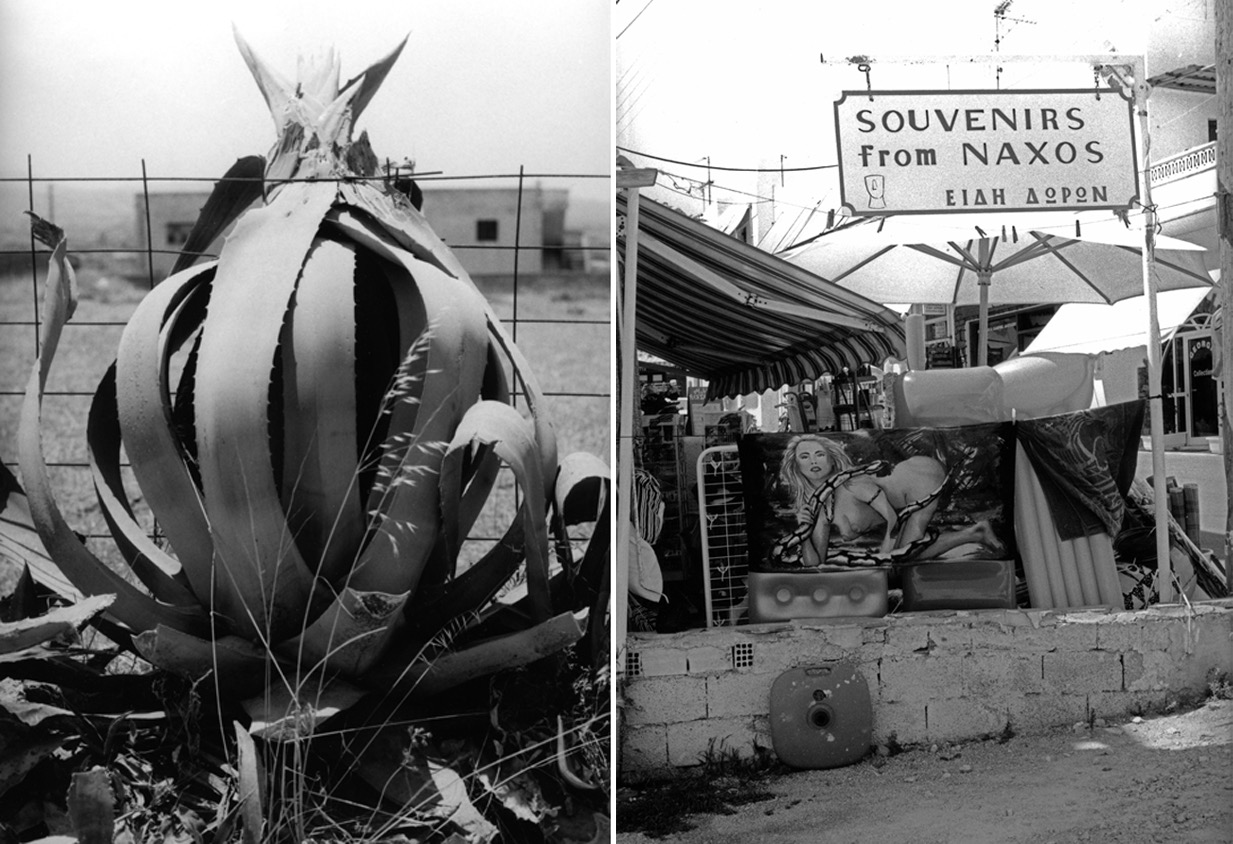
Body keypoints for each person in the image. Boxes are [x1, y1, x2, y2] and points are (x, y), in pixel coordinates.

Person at [773, 434, 1002, 567]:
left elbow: (892, 519)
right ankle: (975, 533)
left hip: (919, 478)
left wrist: (884, 553)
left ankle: (975, 533)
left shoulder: (851, 484)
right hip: (907, 495)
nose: (813, 461)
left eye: (819, 454)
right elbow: (815, 563)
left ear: (832, 460)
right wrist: (804, 531)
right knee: (901, 556)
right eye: (805, 456)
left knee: (901, 559)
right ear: (796, 466)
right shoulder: (818, 508)